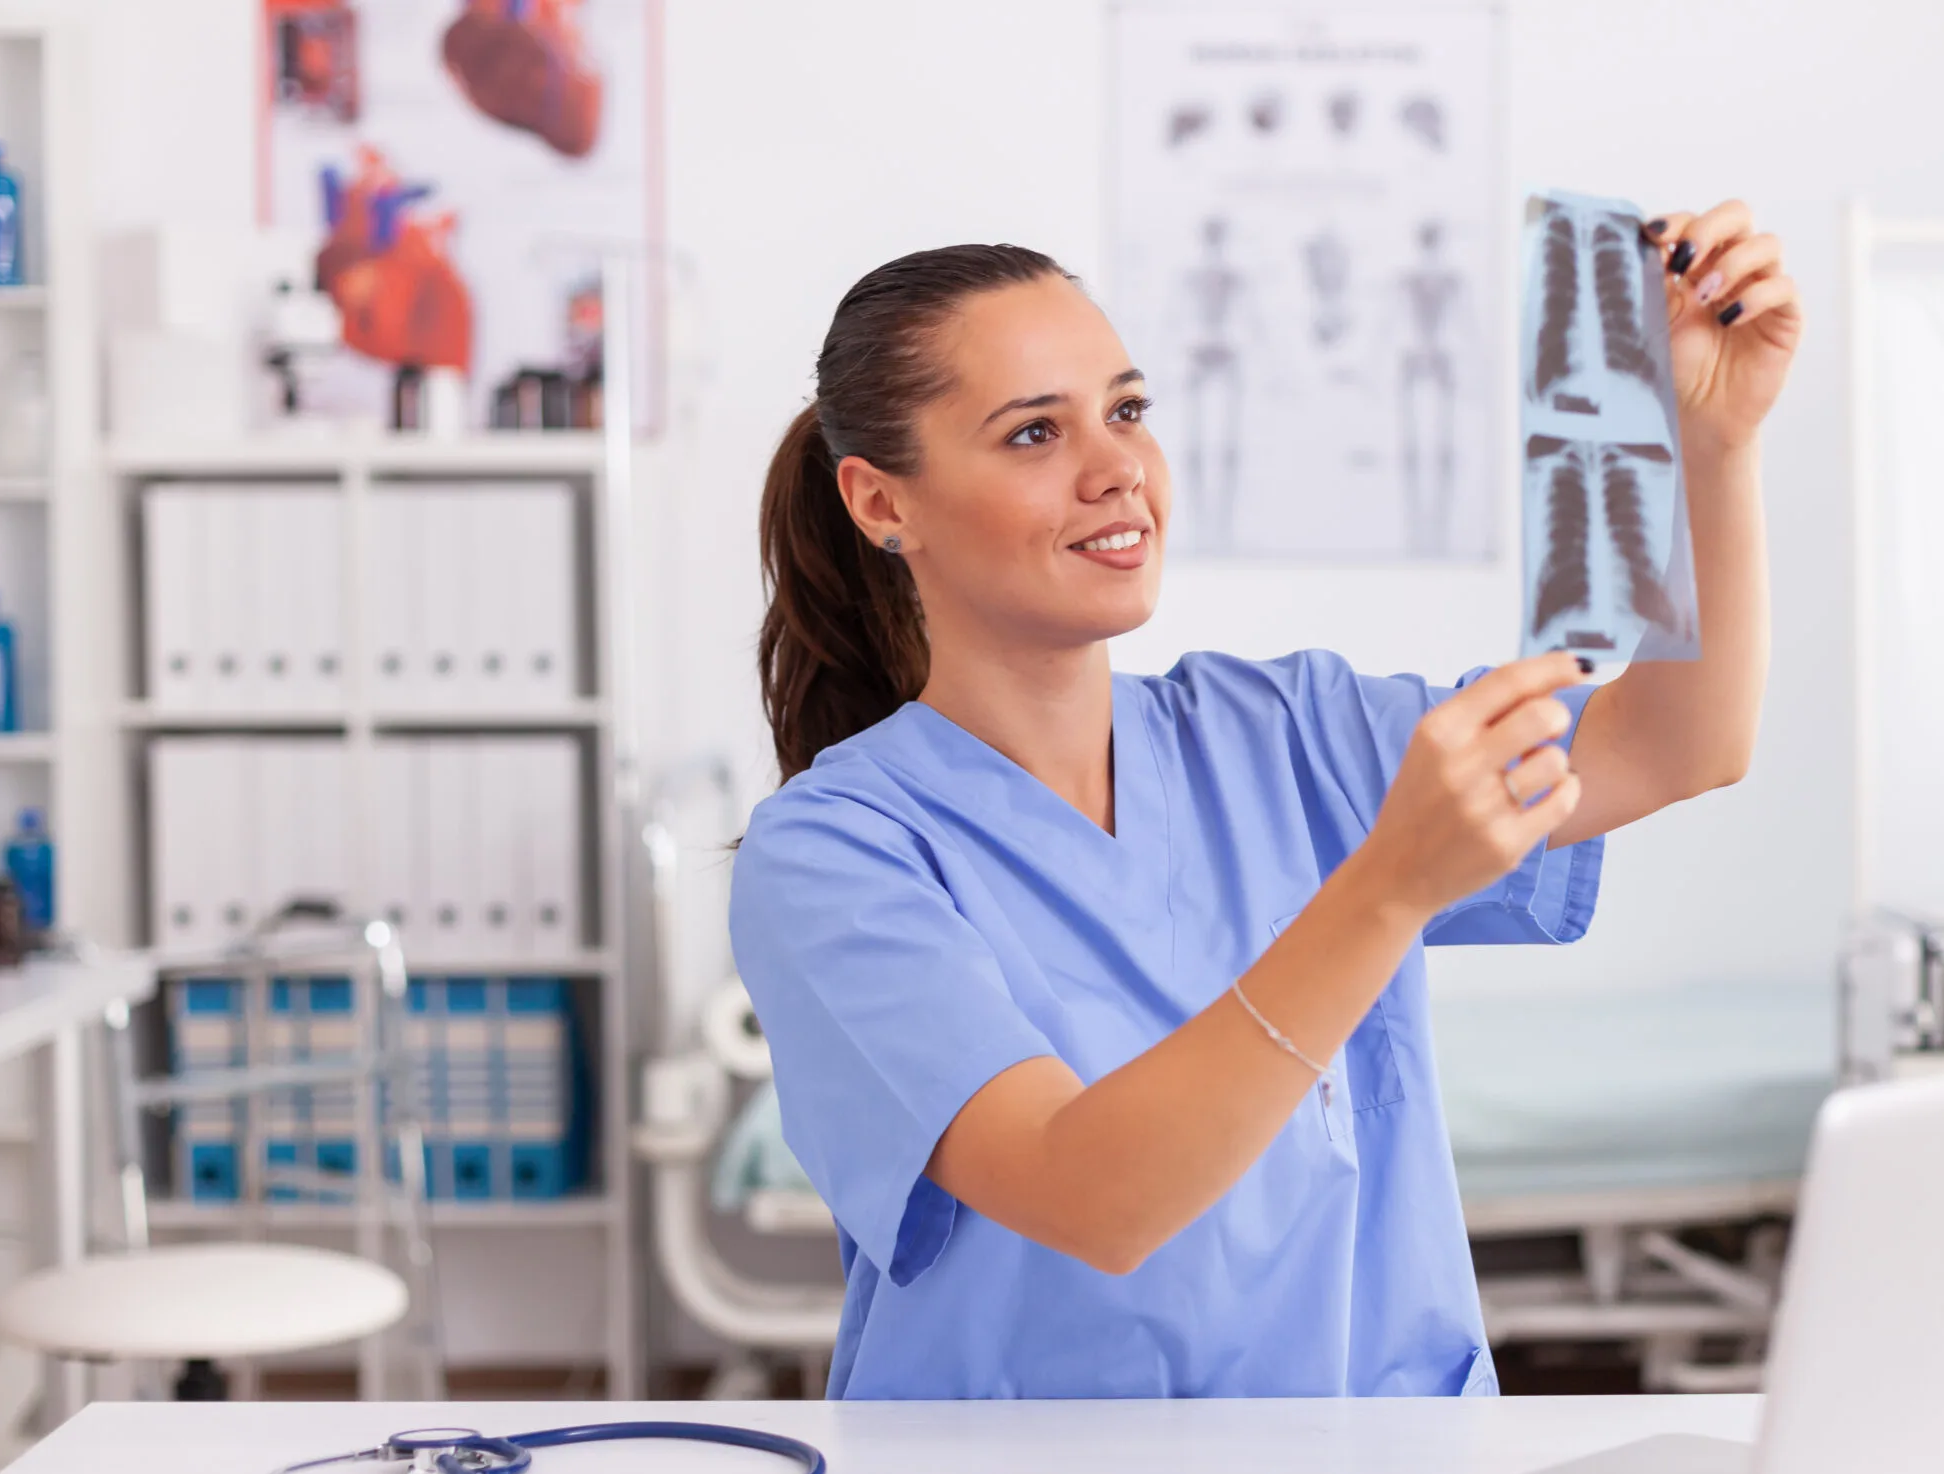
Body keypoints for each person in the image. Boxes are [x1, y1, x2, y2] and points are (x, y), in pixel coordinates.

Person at [732, 208, 1800, 1399]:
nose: (1115, 470)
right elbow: (1090, 1193)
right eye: (1035, 432)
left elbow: (1673, 745)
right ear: (884, 505)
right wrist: (1388, 887)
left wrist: (1714, 446)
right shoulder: (833, 854)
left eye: (1127, 411)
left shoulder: (1292, 735)